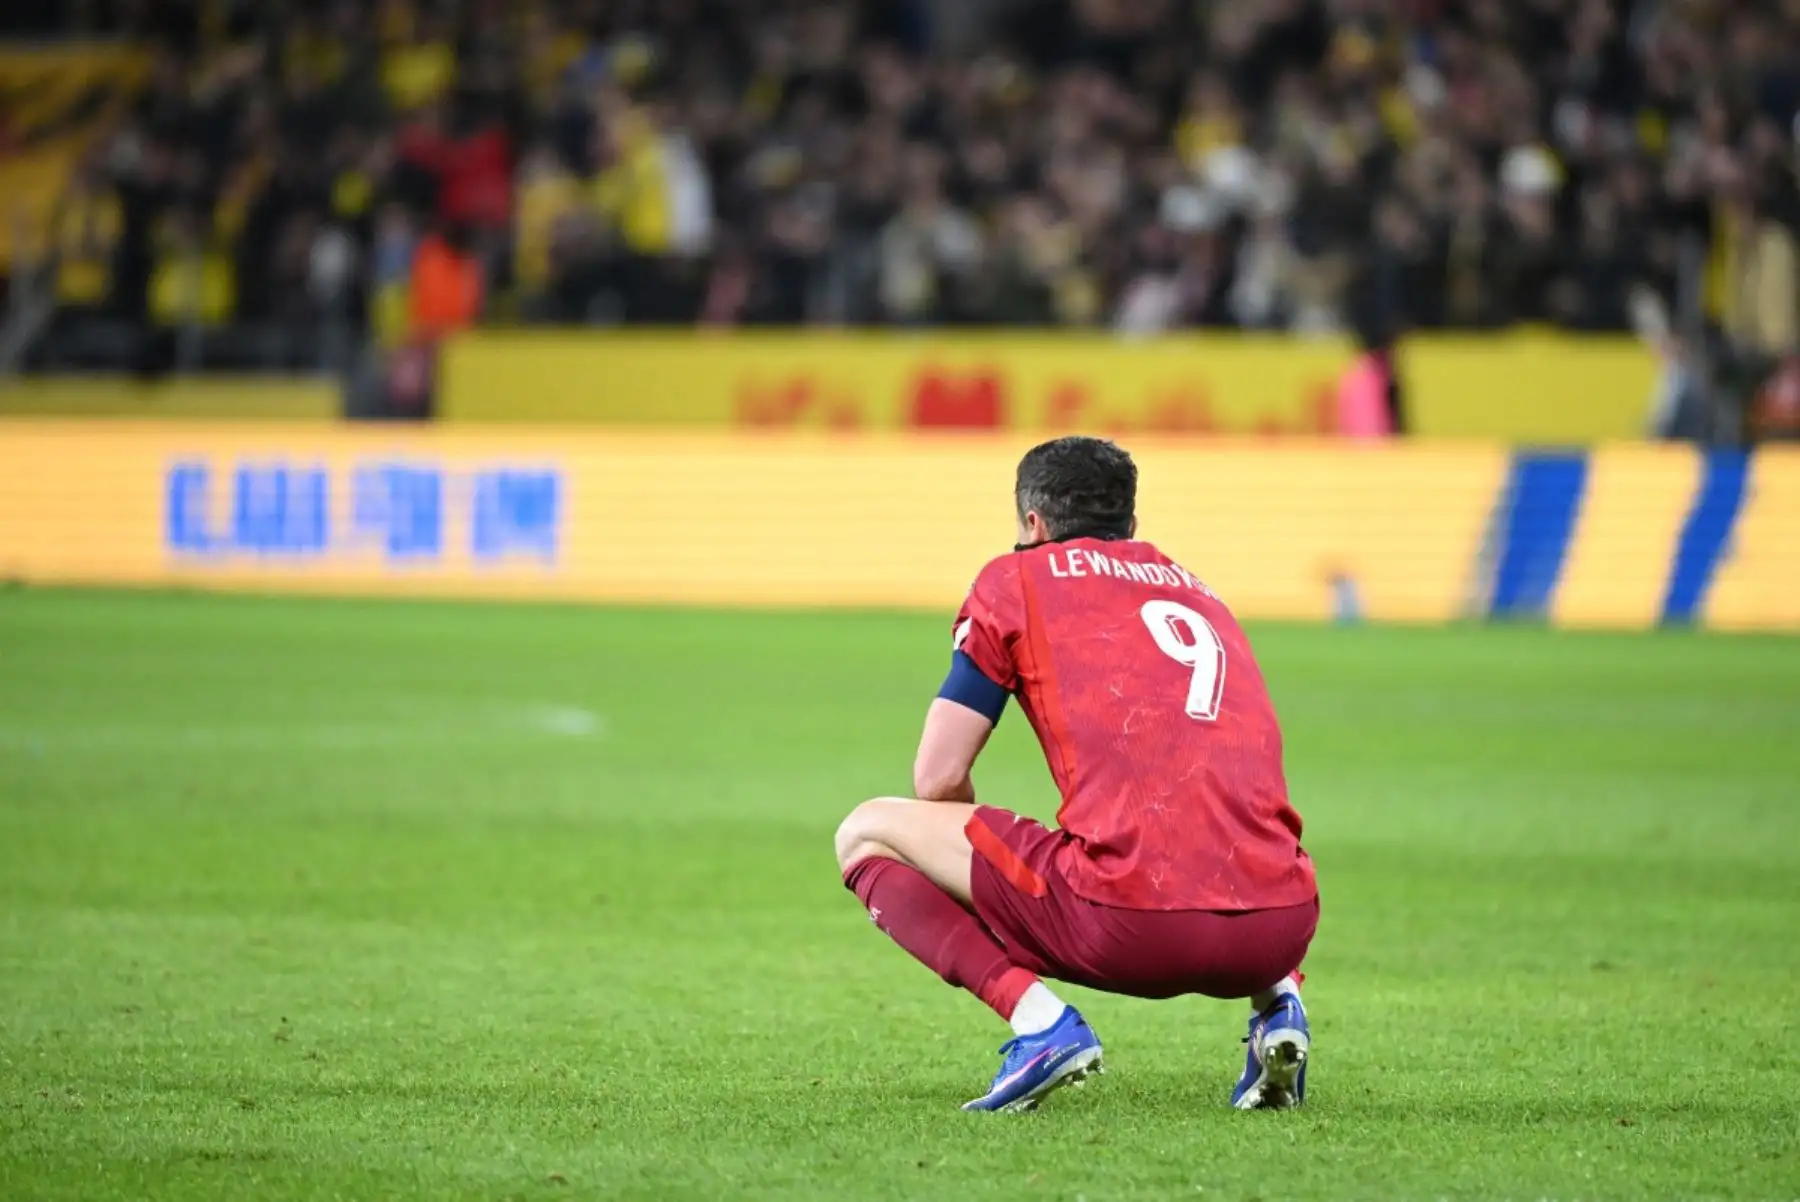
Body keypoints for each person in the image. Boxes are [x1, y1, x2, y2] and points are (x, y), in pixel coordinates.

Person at [835, 436, 1320, 1113]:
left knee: (866, 832)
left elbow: (938, 779)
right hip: (1282, 926)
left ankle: (1040, 1024)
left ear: (1034, 525)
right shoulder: (1202, 592)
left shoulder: (1015, 579)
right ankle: (1281, 1010)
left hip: (1133, 925)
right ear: (1131, 526)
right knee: (1236, 826)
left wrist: (980, 884)